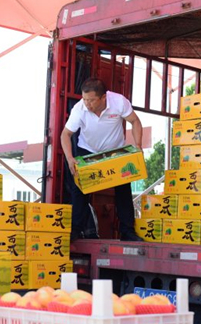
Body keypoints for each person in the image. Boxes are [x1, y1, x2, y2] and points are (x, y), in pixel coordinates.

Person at [61, 78, 143, 242]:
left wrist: (138, 145)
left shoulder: (118, 102)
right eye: (85, 99)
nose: (87, 104)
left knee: (123, 190)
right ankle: (76, 229)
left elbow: (135, 121)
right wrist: (70, 158)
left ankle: (127, 231)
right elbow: (66, 134)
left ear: (103, 98)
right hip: (88, 150)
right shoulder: (79, 109)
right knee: (81, 190)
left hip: (115, 151)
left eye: (91, 100)